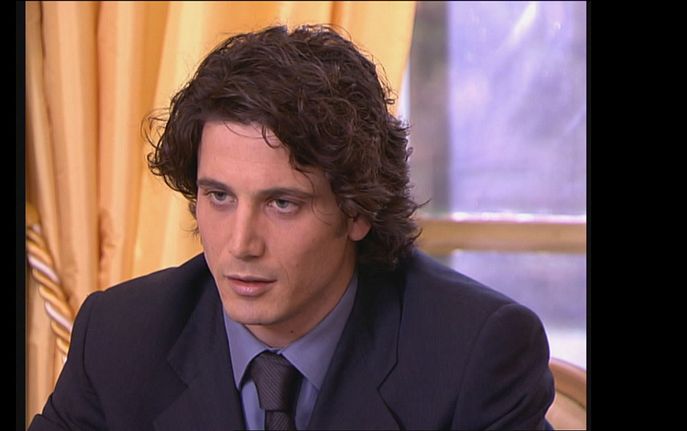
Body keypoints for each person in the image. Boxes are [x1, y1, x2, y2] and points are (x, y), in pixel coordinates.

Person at [29, 24, 555, 430]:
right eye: (219, 197)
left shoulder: (475, 352)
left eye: (282, 203)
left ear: (357, 211)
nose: (240, 244)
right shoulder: (121, 337)